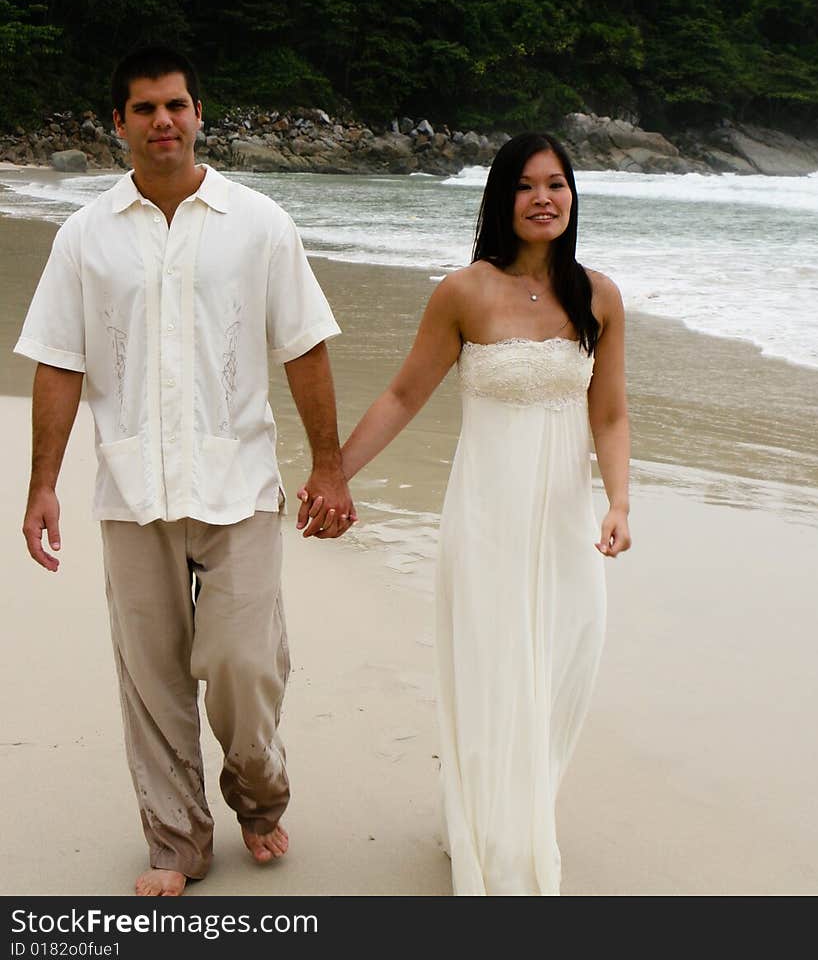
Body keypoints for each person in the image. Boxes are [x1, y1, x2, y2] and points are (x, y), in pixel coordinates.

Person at [15, 45, 355, 898]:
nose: (162, 121)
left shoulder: (260, 223)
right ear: (119, 124)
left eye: (176, 106)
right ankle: (178, 842)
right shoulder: (85, 235)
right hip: (131, 488)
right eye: (144, 109)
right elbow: (58, 361)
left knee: (244, 659)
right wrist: (42, 483)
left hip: (238, 481)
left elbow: (302, 344)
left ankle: (258, 792)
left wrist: (329, 466)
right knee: (152, 676)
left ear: (200, 114)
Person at [306, 131, 631, 895]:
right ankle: (499, 835)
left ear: (573, 196)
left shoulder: (599, 295)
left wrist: (619, 501)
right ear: (501, 198)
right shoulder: (463, 292)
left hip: (564, 522)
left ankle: (519, 809)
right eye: (525, 186)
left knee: (565, 663)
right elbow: (402, 395)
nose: (543, 198)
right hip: (486, 516)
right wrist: (333, 475)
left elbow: (610, 416)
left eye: (556, 184)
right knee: (494, 671)